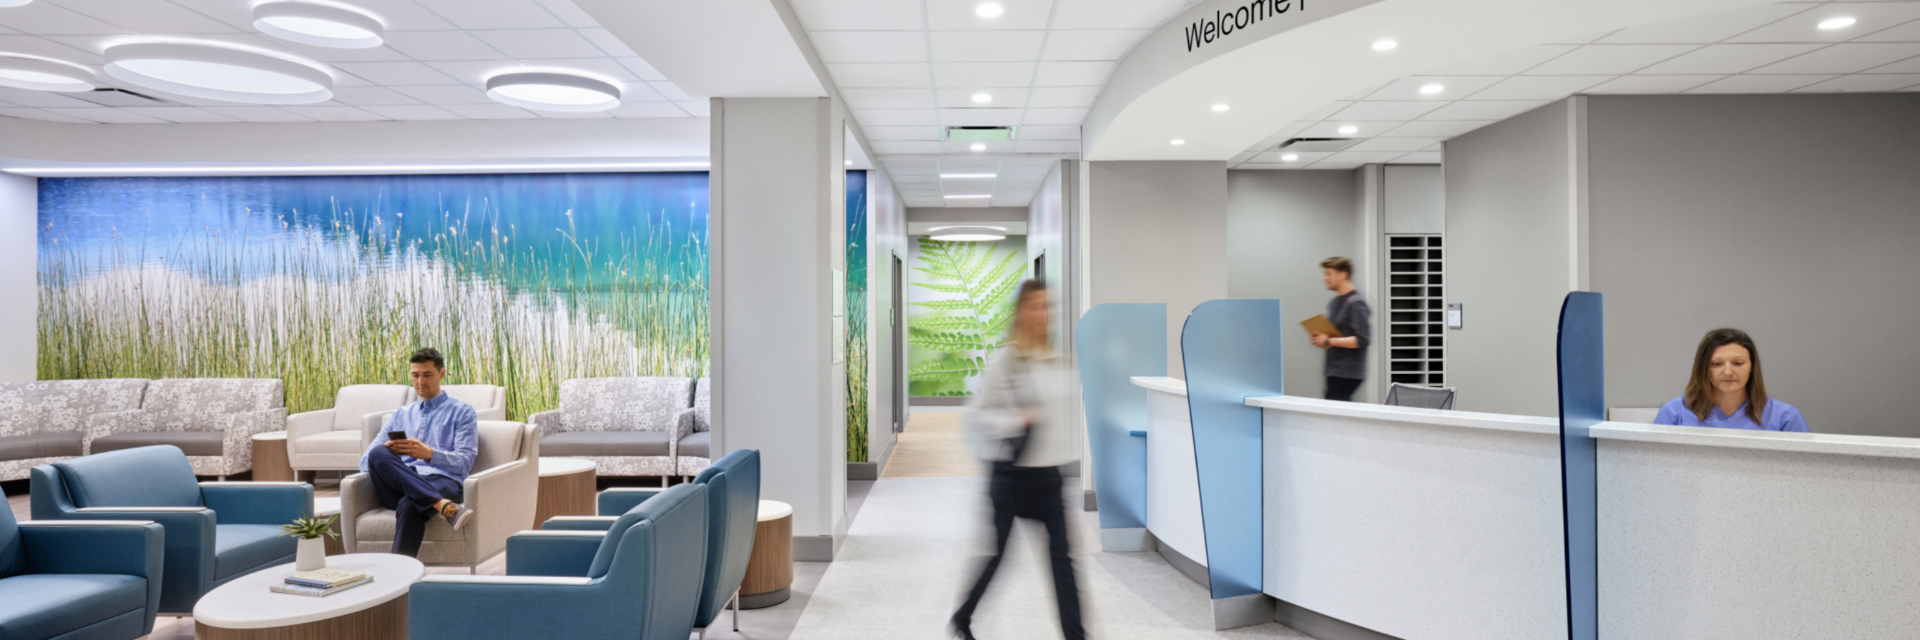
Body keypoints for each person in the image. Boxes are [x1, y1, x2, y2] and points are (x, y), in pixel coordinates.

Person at [952, 280, 1083, 640]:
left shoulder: (1057, 360)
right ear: (1021, 312)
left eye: (1046, 307)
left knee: (1063, 563)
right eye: (1035, 306)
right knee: (998, 556)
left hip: (1049, 478)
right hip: (1012, 478)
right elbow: (976, 416)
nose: (1042, 314)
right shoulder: (1007, 360)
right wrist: (1015, 420)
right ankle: (962, 617)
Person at [359, 347, 480, 557]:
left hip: (443, 480)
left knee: (410, 504)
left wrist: (429, 454)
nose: (420, 381)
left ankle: (399, 573)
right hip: (399, 485)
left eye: (427, 374)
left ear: (441, 374)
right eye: (415, 375)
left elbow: (465, 462)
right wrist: (391, 453)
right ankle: (442, 505)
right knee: (378, 453)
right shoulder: (399, 415)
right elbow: (364, 462)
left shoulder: (462, 412)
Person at [1653, 328, 1809, 432]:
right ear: (1703, 368)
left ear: (1752, 366)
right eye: (1717, 364)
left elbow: (1804, 468)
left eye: (1738, 363)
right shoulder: (1674, 413)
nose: (1728, 372)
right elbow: (1654, 466)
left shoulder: (1785, 417)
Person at [1309, 256, 1372, 402]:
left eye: (1329, 273)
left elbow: (1362, 339)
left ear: (1343, 275)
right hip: (1334, 370)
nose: (1324, 278)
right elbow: (1337, 336)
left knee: (1334, 411)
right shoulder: (1334, 302)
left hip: (1348, 372)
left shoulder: (1356, 303)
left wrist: (1328, 341)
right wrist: (1322, 339)